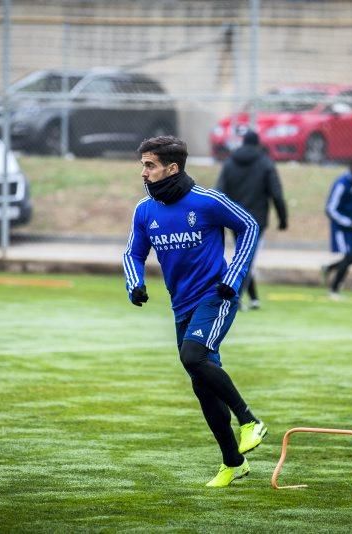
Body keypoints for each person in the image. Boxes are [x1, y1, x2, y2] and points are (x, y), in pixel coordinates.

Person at [122, 135, 268, 488]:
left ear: (172, 168)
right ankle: (233, 462)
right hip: (181, 304)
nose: (143, 172)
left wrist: (234, 276)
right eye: (143, 164)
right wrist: (135, 283)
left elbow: (249, 225)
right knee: (203, 384)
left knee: (193, 356)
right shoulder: (145, 210)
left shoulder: (205, 200)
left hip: (216, 296)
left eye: (149, 165)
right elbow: (133, 253)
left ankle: (250, 421)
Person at [215, 130, 287, 310]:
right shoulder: (265, 163)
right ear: (257, 143)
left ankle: (254, 298)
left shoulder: (230, 163)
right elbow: (276, 194)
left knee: (244, 255)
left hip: (234, 218)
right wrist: (282, 218)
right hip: (256, 220)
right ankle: (235, 299)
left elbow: (219, 191)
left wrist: (218, 216)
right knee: (246, 258)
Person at [322, 157, 352, 300]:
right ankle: (334, 290)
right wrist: (345, 221)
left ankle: (329, 268)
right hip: (341, 227)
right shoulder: (342, 183)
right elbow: (330, 208)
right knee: (348, 255)